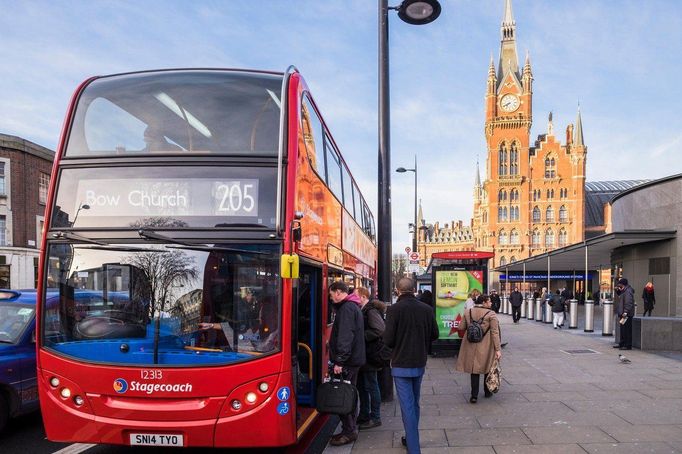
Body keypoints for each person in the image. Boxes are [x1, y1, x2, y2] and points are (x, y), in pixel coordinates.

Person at [384, 277, 438, 454]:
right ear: (414, 289)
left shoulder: (394, 310)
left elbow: (388, 340)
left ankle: (414, 448)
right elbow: (434, 335)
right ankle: (409, 436)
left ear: (398, 291)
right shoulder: (427, 309)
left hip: (400, 364)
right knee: (414, 403)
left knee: (407, 405)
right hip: (419, 362)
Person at [328, 281, 366, 446]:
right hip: (353, 359)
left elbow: (345, 336)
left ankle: (349, 431)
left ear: (338, 292)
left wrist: (339, 361)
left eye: (331, 295)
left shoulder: (346, 309)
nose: (330, 298)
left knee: (343, 395)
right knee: (349, 393)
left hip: (348, 361)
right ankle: (349, 428)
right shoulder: (353, 307)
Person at [456, 294, 502, 404]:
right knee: (487, 367)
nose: (491, 303)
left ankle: (474, 396)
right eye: (489, 301)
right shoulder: (491, 314)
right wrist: (498, 349)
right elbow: (495, 333)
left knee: (474, 370)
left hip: (470, 344)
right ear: (484, 302)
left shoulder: (468, 312)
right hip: (486, 344)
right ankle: (487, 391)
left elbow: (461, 327)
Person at [355, 287, 385, 430]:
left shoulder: (370, 311)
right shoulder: (364, 309)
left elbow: (380, 329)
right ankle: (364, 414)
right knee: (362, 386)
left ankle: (375, 417)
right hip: (365, 354)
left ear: (362, 297)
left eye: (355, 296)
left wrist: (362, 336)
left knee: (371, 385)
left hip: (370, 354)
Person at [614, 278, 635, 350]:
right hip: (623, 314)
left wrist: (625, 312)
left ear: (622, 284)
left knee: (627, 330)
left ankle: (627, 345)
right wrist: (617, 291)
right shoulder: (624, 290)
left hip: (626, 315)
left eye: (619, 284)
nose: (618, 285)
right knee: (623, 330)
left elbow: (629, 303)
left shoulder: (628, 291)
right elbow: (621, 295)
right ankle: (622, 343)